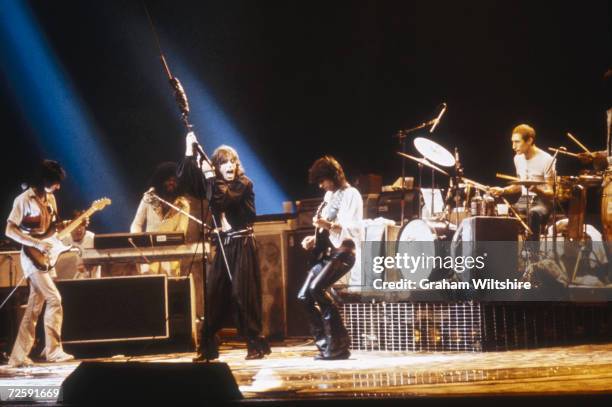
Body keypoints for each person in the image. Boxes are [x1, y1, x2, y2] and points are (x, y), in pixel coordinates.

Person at [184, 134, 270, 361]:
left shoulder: (243, 184)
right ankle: (208, 348)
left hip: (242, 243)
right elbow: (188, 180)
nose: (230, 166)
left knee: (244, 295)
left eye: (232, 161)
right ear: (217, 166)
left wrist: (211, 177)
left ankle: (255, 344)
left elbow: (223, 201)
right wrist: (189, 150)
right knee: (214, 295)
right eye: (223, 163)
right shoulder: (213, 184)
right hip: (224, 244)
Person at [6, 160, 74, 367]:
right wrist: (36, 243)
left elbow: (51, 230)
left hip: (45, 257)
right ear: (44, 180)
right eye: (55, 182)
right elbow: (9, 230)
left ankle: (17, 357)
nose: (58, 186)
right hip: (30, 256)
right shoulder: (23, 200)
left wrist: (68, 228)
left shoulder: (51, 199)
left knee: (34, 308)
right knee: (55, 299)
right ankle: (53, 351)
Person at [298, 156, 363, 360]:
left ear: (333, 176)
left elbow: (349, 229)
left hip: (345, 251)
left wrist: (326, 225)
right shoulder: (329, 197)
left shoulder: (351, 194)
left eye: (323, 180)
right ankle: (326, 345)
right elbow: (325, 229)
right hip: (328, 253)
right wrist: (313, 237)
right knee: (303, 296)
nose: (321, 185)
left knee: (317, 289)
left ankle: (339, 345)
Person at [490, 124, 555, 240]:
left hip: (542, 202)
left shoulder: (547, 159)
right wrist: (503, 190)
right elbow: (519, 185)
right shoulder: (517, 158)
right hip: (524, 200)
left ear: (529, 140)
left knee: (533, 213)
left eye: (517, 142)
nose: (513, 146)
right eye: (512, 142)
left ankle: (532, 254)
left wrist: (536, 189)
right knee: (500, 212)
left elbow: (551, 192)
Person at [130, 162, 190, 276]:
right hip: (148, 255)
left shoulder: (183, 204)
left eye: (175, 180)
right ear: (160, 180)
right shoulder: (149, 198)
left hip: (171, 257)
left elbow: (181, 233)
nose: (172, 183)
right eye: (168, 179)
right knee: (150, 288)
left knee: (169, 290)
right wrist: (139, 242)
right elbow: (136, 224)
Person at [60, 210, 100, 279]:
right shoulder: (63, 240)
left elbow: (96, 268)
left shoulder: (92, 239)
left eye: (81, 225)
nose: (79, 229)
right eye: (76, 226)